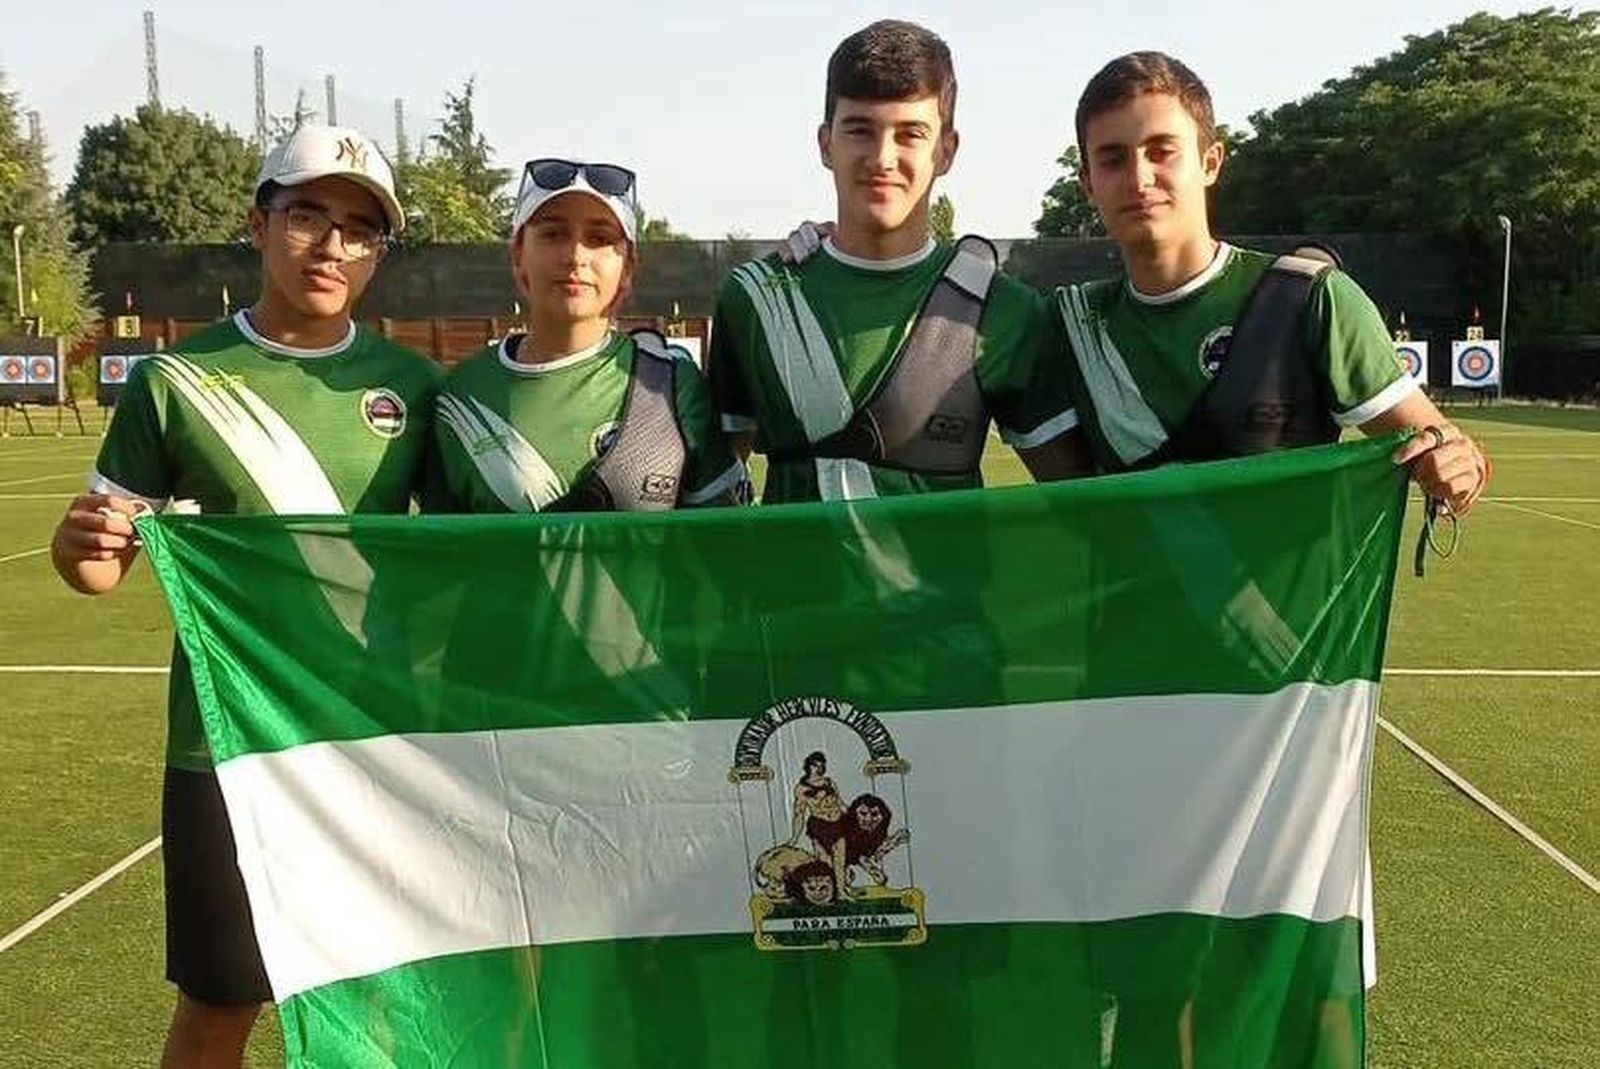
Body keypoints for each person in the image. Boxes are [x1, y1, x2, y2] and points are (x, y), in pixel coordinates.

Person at [49, 124, 438, 1069]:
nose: (332, 246)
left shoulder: (415, 387)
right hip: (226, 740)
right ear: (259, 224)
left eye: (360, 229)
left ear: (378, 253)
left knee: (381, 998)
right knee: (223, 1001)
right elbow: (98, 565)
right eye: (307, 215)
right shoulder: (175, 381)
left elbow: (465, 557)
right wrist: (79, 543)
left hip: (371, 738)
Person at [1056, 51, 1489, 508]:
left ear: (1210, 162)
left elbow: (1442, 446)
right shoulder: (1069, 324)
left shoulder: (1312, 299)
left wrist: (1458, 463)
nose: (1139, 178)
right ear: (1088, 183)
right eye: (1113, 159)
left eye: (1162, 152)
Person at [708, 19, 1085, 505]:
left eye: (910, 134)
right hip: (792, 563)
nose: (882, 158)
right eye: (859, 130)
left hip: (947, 563)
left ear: (946, 151)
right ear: (825, 144)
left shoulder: (1006, 311)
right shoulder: (754, 298)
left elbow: (1081, 503)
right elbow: (714, 496)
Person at [428, 158, 742, 513]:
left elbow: (720, 537)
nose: (576, 256)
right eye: (553, 234)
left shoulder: (672, 386)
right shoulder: (461, 394)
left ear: (628, 266)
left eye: (600, 239)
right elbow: (441, 544)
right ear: (518, 253)